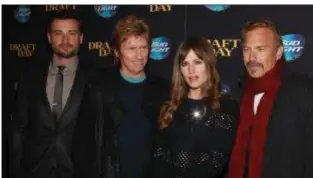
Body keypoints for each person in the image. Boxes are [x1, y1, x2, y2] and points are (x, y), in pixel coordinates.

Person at [71, 15, 169, 178]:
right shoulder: (98, 87)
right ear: (116, 51)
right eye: (131, 49)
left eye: (143, 47)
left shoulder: (162, 89)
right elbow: (82, 145)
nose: (139, 56)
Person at [10, 10, 94, 178]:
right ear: (49, 38)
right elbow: (18, 131)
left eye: (71, 33)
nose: (65, 40)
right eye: (58, 33)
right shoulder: (29, 77)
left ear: (81, 38)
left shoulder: (96, 79)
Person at [228, 20, 313, 178]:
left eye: (260, 49)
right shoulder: (237, 94)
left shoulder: (302, 92)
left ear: (279, 52)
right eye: (247, 49)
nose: (252, 58)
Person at [152, 36, 239, 178]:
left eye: (197, 62)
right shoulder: (169, 108)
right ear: (179, 69)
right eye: (185, 64)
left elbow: (216, 160)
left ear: (208, 64)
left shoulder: (226, 107)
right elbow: (159, 157)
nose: (191, 70)